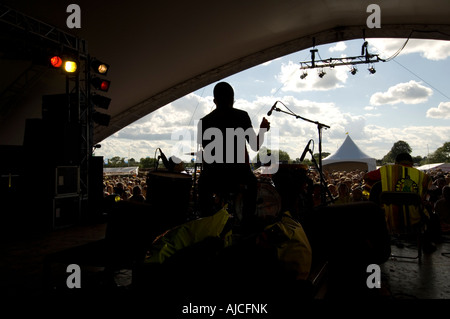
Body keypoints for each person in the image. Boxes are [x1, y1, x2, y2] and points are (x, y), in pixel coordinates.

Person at [197, 82, 270, 231]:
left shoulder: (203, 122)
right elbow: (255, 146)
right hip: (238, 174)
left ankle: (206, 224)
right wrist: (262, 130)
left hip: (213, 177)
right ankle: (247, 225)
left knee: (202, 185)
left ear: (214, 101)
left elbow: (207, 154)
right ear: (233, 99)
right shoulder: (242, 116)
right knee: (252, 184)